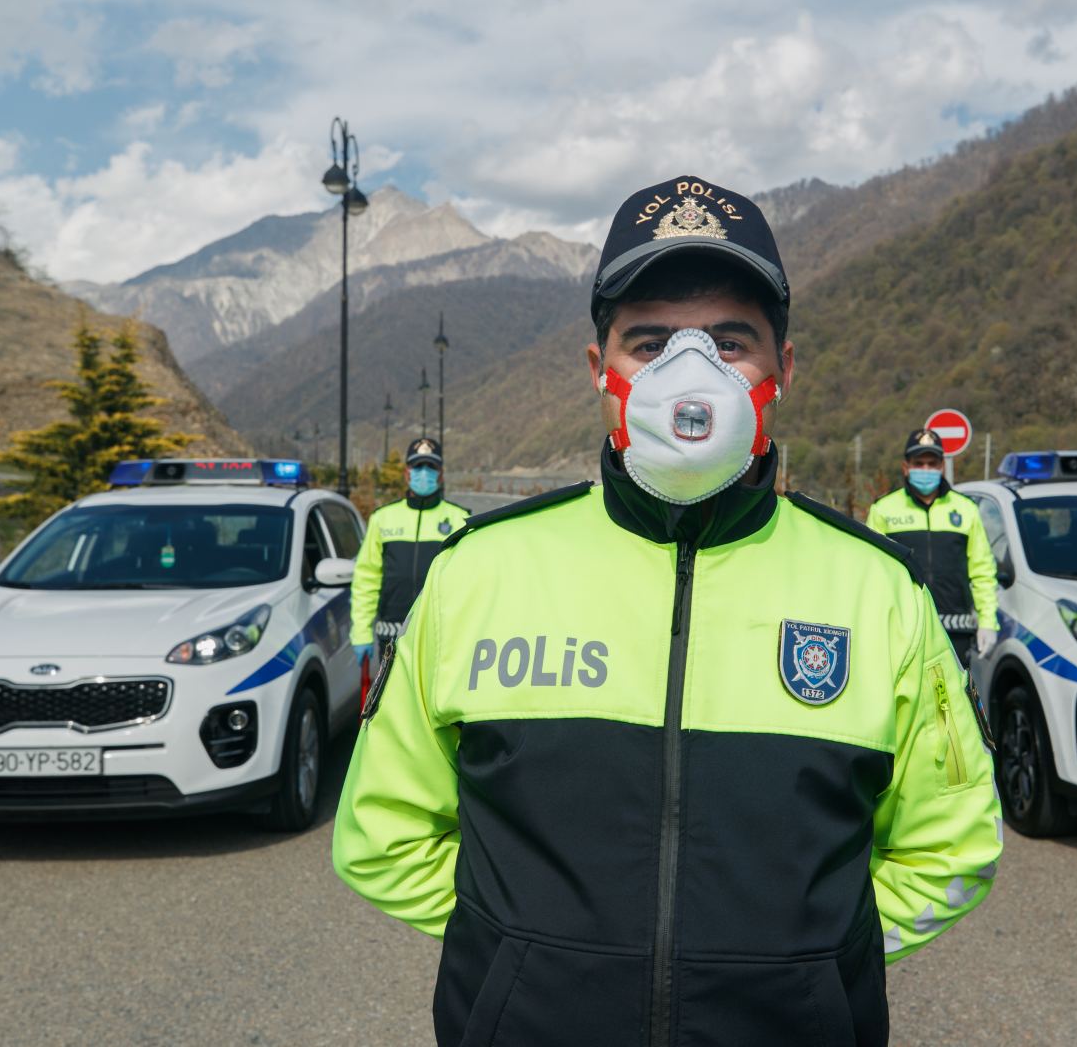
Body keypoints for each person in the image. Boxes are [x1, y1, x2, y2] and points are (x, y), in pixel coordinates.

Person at [333, 176, 1000, 1046]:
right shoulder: (479, 574)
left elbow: (955, 845)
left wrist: (812, 967)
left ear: (784, 370)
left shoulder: (877, 593)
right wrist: (518, 953)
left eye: (731, 342)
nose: (693, 375)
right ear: (598, 372)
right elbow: (381, 832)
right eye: (650, 343)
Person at [867, 430, 1001, 668]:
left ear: (942, 467)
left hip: (956, 629)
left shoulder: (966, 509)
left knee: (953, 692)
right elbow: (872, 572)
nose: (926, 469)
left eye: (932, 464)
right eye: (919, 464)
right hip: (903, 627)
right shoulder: (883, 510)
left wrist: (988, 621)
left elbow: (982, 571)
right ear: (906, 467)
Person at [348, 436, 469, 669]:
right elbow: (366, 579)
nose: (424, 473)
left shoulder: (460, 520)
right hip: (391, 638)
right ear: (407, 473)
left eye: (430, 467)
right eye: (418, 466)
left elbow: (468, 583)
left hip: (441, 637)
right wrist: (361, 632)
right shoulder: (383, 518)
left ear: (441, 474)